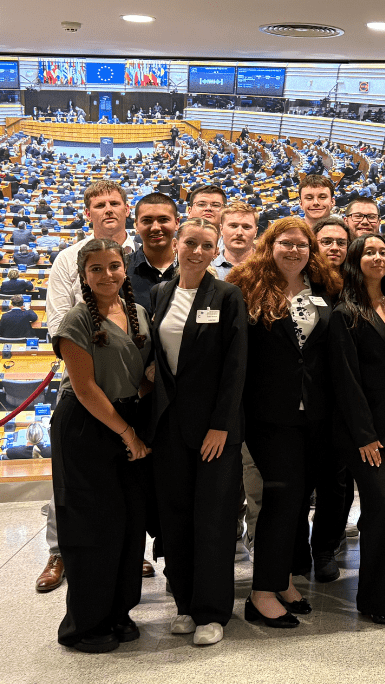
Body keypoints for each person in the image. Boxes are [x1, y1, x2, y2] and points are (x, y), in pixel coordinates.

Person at [228, 218, 341, 629]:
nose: (295, 251)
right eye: (286, 243)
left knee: (297, 499)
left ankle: (285, 580)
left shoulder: (323, 289)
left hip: (313, 413)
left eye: (302, 245)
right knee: (281, 494)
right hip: (267, 414)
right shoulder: (246, 288)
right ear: (269, 245)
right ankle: (260, 593)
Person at [49, 239, 152, 653]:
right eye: (97, 269)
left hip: (126, 420)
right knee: (92, 528)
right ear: (83, 276)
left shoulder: (138, 313)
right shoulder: (75, 321)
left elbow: (138, 376)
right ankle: (85, 625)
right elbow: (86, 388)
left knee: (127, 525)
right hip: (88, 428)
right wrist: (128, 434)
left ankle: (119, 612)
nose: (107, 275)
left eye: (114, 266)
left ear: (125, 268)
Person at [148, 218, 247, 646]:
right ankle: (185, 604)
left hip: (214, 431)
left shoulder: (227, 295)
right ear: (177, 243)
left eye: (207, 245)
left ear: (214, 251)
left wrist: (221, 425)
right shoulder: (160, 292)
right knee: (176, 519)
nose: (197, 251)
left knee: (214, 520)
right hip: (170, 427)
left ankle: (212, 611)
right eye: (190, 242)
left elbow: (236, 366)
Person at [330, 234, 385, 626]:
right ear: (355, 261)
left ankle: (374, 595)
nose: (378, 257)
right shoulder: (345, 311)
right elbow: (345, 380)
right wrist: (364, 434)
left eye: (383, 251)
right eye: (370, 252)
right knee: (379, 509)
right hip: (366, 433)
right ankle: (375, 598)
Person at [213, 202, 257, 280]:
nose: (239, 233)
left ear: (255, 232)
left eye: (246, 227)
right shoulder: (206, 267)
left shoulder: (269, 267)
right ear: (221, 229)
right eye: (233, 226)